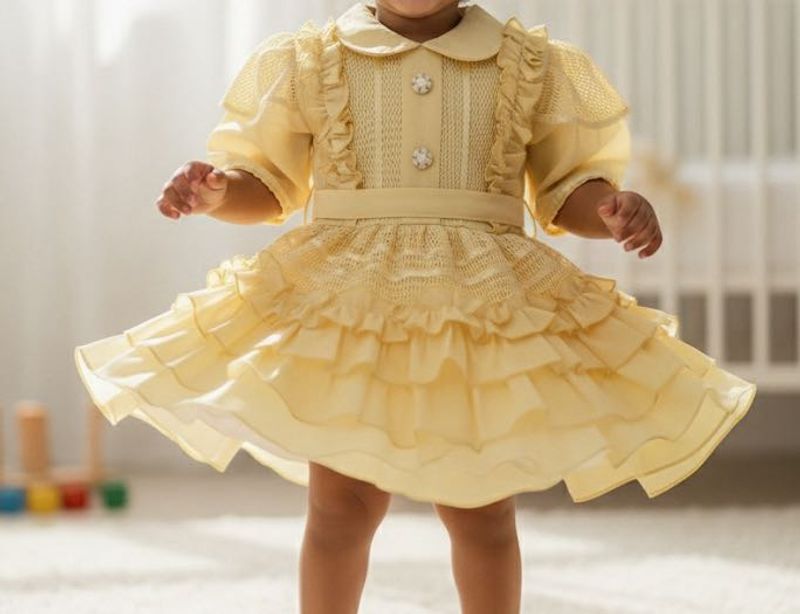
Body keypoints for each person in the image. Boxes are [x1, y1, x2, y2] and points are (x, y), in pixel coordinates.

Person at [73, 1, 758, 612]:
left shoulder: (527, 63)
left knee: (481, 510)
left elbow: (566, 188)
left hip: (478, 308)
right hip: (350, 303)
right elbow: (269, 184)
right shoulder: (311, 60)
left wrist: (608, 208)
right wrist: (220, 191)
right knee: (340, 507)